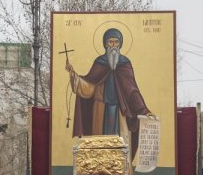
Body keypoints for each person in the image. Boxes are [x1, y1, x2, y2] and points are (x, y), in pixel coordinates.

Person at [66, 27, 153, 160]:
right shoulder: (99, 62)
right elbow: (89, 85)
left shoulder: (125, 64)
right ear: (105, 44)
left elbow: (132, 91)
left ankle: (121, 169)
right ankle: (98, 168)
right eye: (110, 42)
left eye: (116, 42)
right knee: (99, 142)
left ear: (120, 44)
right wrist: (74, 76)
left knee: (121, 141)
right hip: (100, 108)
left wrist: (144, 110)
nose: (113, 45)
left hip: (119, 110)